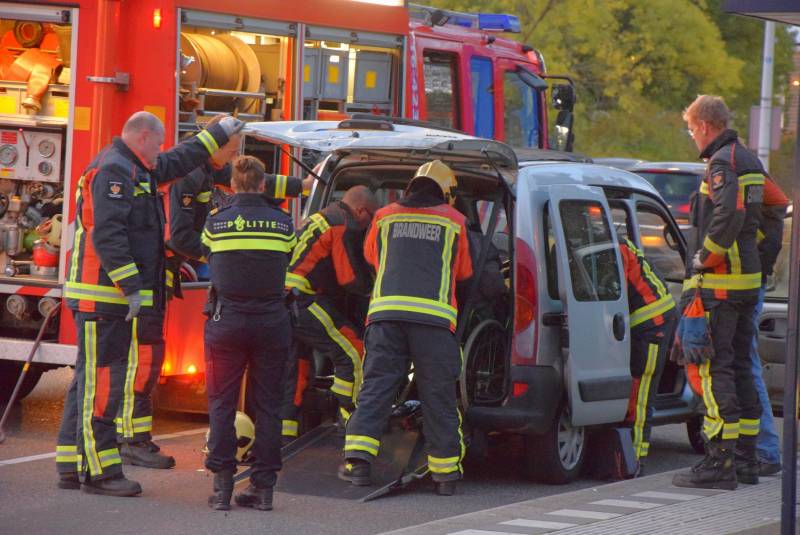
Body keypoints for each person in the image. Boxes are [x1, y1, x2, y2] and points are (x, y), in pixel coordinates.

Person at [55, 111, 242, 496]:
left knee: (89, 384)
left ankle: (74, 464)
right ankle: (101, 472)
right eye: (157, 144)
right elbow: (107, 232)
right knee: (103, 386)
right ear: (142, 137)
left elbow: (179, 159)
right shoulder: (114, 171)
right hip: (104, 295)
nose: (161, 152)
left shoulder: (136, 167)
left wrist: (218, 133)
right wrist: (132, 286)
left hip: (106, 297)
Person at [111, 117, 243, 471]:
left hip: (157, 274)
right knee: (143, 357)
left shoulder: (203, 171)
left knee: (149, 356)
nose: (233, 159)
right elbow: (180, 237)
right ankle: (130, 439)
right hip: (149, 276)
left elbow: (245, 181)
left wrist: (298, 184)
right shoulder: (190, 174)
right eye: (231, 149)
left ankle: (135, 437)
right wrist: (218, 255)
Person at [339, 160, 473, 496]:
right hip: (434, 322)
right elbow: (466, 272)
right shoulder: (456, 221)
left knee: (377, 388)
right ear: (447, 192)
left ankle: (358, 462)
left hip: (386, 316)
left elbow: (372, 257)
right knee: (438, 395)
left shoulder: (384, 215)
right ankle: (445, 476)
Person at [672, 95, 764, 490]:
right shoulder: (750, 160)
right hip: (747, 284)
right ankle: (746, 459)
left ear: (705, 126)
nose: (692, 136)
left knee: (712, 371)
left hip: (722, 286)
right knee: (741, 368)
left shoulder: (721, 162)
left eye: (692, 129)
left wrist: (703, 259)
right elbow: (773, 214)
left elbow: (728, 214)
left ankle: (719, 462)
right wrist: (763, 256)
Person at [202, 155, 296, 511]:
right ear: (262, 184)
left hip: (226, 323)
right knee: (269, 406)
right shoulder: (284, 224)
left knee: (222, 404)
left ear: (233, 186)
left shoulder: (216, 223)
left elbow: (207, 255)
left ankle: (223, 487)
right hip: (272, 323)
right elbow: (290, 262)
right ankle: (263, 489)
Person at [280, 185, 378, 441]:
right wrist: (374, 287)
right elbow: (349, 278)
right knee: (354, 349)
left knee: (295, 369)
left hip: (282, 303)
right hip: (304, 300)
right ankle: (352, 418)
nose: (369, 225)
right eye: (371, 217)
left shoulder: (321, 216)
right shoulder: (343, 224)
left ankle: (284, 436)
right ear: (360, 210)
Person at [618, 237, 676, 474]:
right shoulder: (614, 241)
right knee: (636, 391)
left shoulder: (616, 247)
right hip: (647, 322)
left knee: (640, 395)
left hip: (653, 326)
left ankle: (636, 457)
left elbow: (613, 289)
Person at [748, 176, 788, 475]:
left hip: (740, 286)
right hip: (743, 283)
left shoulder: (737, 169)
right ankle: (760, 450)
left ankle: (765, 450)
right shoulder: (738, 168)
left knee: (744, 365)